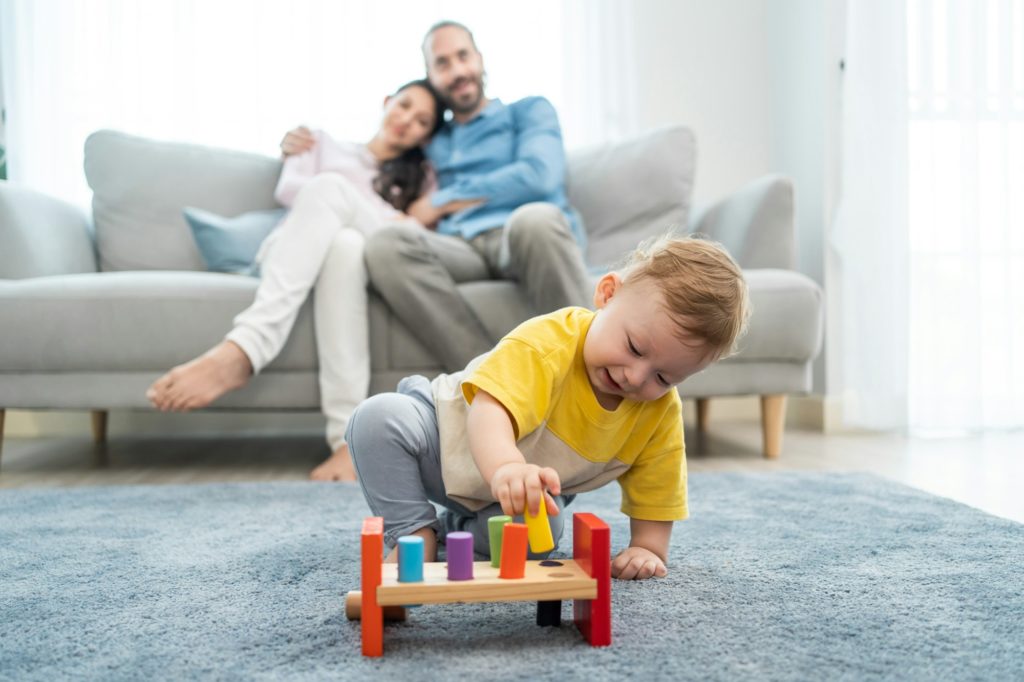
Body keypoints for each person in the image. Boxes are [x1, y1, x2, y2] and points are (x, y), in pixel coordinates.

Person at [345, 235, 750, 580]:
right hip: (442, 437)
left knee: (537, 541)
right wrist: (506, 466)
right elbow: (491, 410)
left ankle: (460, 531)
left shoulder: (658, 411)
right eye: (634, 348)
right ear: (607, 295)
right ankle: (414, 531)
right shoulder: (548, 341)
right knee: (378, 419)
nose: (636, 377)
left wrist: (649, 548)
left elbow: (660, 485)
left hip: (510, 495)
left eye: (664, 377)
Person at [146, 79, 466, 482]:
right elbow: (294, 191)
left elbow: (414, 229)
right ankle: (334, 427)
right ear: (387, 102)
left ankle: (330, 427)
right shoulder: (318, 142)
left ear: (426, 136)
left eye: (422, 122)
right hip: (291, 247)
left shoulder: (420, 176)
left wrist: (377, 210)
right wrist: (373, 208)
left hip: (362, 255)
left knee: (347, 238)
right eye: (404, 106)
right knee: (334, 214)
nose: (407, 121)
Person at [282, 20, 592, 373]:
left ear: (480, 59)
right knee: (386, 244)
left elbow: (539, 175)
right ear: (431, 75)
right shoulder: (431, 136)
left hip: (519, 234)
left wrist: (441, 200)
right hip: (459, 246)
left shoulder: (528, 111)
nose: (457, 70)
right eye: (442, 63)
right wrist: (302, 145)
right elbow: (370, 158)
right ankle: (492, 380)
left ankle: (593, 376)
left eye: (463, 56)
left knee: (535, 219)